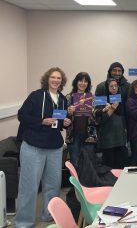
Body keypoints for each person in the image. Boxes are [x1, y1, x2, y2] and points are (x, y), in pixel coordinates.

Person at [15, 67, 71, 228]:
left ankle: (49, 216)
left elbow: (58, 122)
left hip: (54, 147)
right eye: (53, 77)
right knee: (29, 186)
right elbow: (22, 115)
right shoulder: (36, 96)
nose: (55, 80)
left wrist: (66, 122)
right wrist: (41, 121)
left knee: (53, 185)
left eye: (59, 78)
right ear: (47, 79)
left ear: (62, 81)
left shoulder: (62, 99)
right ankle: (23, 223)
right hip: (33, 147)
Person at [94, 78, 127, 169]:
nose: (114, 88)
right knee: (109, 168)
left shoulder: (121, 99)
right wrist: (112, 109)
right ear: (106, 87)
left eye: (116, 86)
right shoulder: (101, 100)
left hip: (120, 139)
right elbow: (100, 120)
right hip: (107, 140)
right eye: (111, 86)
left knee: (120, 168)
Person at [65, 72, 97, 167]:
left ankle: (88, 182)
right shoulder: (68, 97)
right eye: (80, 80)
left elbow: (98, 119)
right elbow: (63, 119)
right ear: (76, 82)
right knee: (75, 165)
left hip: (89, 136)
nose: (83, 83)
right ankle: (75, 182)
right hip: (73, 136)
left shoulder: (92, 98)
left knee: (89, 165)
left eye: (85, 81)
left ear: (88, 84)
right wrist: (69, 113)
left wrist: (93, 111)